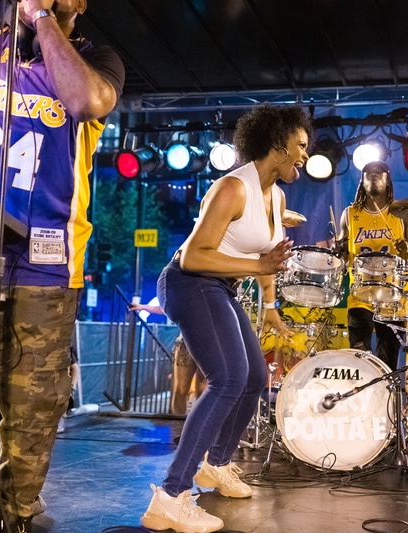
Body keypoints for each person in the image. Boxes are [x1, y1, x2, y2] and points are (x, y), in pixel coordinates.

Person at [0, 1, 123, 531]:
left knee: (31, 413)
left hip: (46, 267)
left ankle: (17, 510)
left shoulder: (99, 58)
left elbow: (85, 99)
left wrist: (44, 18)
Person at [140, 104, 311, 533]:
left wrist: (270, 309)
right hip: (187, 282)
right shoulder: (233, 188)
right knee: (229, 378)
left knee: (254, 377)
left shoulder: (277, 195)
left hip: (222, 286)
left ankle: (215, 464)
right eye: (301, 146)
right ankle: (171, 496)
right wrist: (260, 268)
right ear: (277, 145)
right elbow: (196, 256)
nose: (305, 156)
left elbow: (268, 256)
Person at [335, 161, 408, 370]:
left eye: (378, 173)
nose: (373, 176)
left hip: (394, 298)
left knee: (387, 363)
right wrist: (339, 251)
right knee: (359, 356)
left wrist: (406, 250)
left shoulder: (401, 213)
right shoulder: (349, 214)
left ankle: (386, 401)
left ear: (387, 180)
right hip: (360, 296)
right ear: (362, 182)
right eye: (368, 174)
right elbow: (341, 255)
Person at [127, 304, 207, 416]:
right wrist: (144, 307)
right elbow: (169, 308)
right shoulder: (188, 292)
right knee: (180, 391)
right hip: (186, 342)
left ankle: (202, 427)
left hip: (208, 345)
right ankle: (179, 426)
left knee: (204, 393)